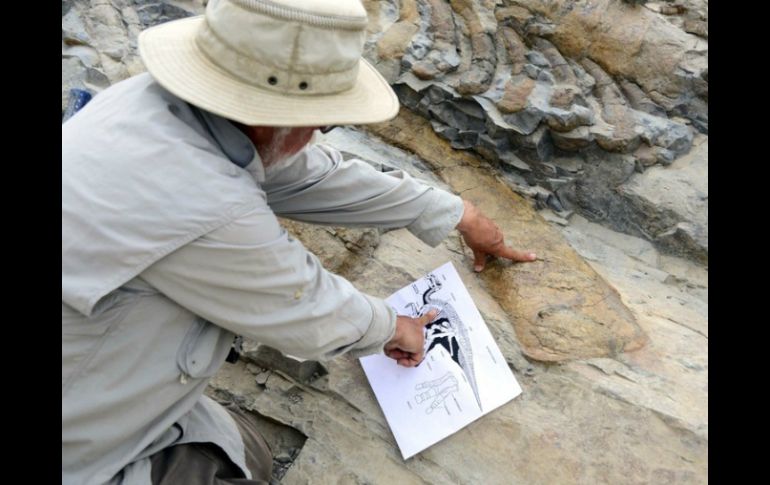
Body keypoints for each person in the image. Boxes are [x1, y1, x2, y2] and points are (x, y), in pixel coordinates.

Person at [62, 0, 536, 483]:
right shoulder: (204, 200)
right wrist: (397, 328)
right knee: (233, 464)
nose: (315, 137)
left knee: (247, 451)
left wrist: (454, 212)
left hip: (101, 375)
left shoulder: (149, 104)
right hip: (79, 444)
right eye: (322, 122)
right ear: (272, 116)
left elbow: (307, 174)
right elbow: (307, 307)